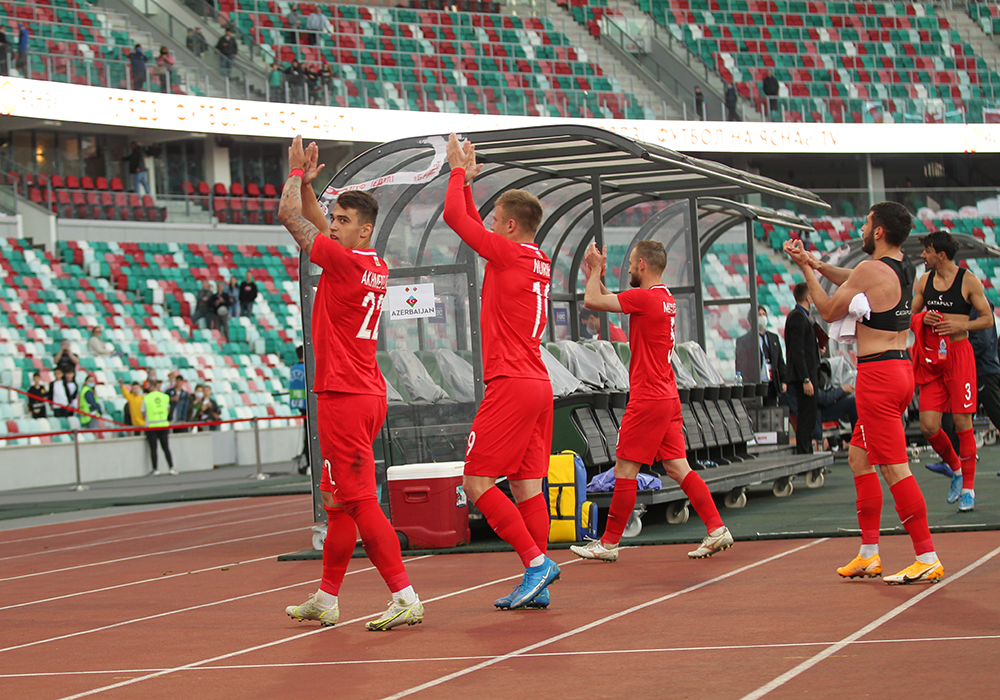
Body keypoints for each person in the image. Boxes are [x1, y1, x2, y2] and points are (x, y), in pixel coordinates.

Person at [280, 135, 424, 630]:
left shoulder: (342, 260)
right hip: (365, 390)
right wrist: (315, 195)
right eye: (334, 219)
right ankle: (327, 597)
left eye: (343, 221)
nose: (333, 225)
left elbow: (290, 219)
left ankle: (404, 593)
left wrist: (295, 175)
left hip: (344, 395)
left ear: (362, 231)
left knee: (360, 501)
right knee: (338, 506)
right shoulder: (373, 263)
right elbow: (316, 223)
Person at [784, 201, 943, 584]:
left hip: (878, 378)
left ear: (879, 232)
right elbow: (853, 278)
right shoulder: (902, 265)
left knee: (892, 466)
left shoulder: (870, 269)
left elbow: (826, 308)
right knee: (859, 459)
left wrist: (805, 267)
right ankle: (869, 553)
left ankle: (926, 554)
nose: (860, 228)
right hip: (897, 369)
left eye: (866, 224)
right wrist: (819, 264)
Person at [443, 132, 559, 611]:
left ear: (510, 225)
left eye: (495, 222)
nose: (488, 228)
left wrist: (453, 171)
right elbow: (469, 219)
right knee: (529, 486)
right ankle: (539, 579)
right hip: (538, 382)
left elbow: (454, 219)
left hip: (510, 382)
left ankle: (535, 565)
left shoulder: (507, 253)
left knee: (477, 481)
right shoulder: (537, 258)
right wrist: (469, 185)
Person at [571, 241, 734, 563]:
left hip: (647, 398)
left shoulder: (643, 298)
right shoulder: (663, 298)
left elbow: (592, 300)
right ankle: (716, 529)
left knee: (625, 469)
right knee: (677, 466)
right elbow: (607, 297)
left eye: (631, 263)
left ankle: (608, 543)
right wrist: (597, 273)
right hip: (668, 396)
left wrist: (592, 270)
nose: (628, 268)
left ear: (643, 264)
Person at [912, 229, 992, 512]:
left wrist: (962, 325)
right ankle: (955, 468)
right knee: (928, 426)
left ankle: (968, 490)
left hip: (959, 356)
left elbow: (987, 319)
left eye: (927, 251)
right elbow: (910, 315)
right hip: (933, 359)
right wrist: (923, 317)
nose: (923, 256)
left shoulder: (967, 280)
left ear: (940, 254)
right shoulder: (924, 281)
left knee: (962, 424)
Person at [785, 282, 820, 453]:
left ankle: (808, 454)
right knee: (806, 418)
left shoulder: (802, 316)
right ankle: (804, 455)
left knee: (809, 417)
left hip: (807, 375)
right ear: (808, 297)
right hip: (804, 377)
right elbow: (797, 351)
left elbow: (802, 348)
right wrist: (805, 378)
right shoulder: (798, 317)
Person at [735, 305, 785, 397]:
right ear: (751, 320)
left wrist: (783, 381)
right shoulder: (744, 341)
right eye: (759, 315)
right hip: (756, 386)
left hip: (772, 385)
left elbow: (780, 361)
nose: (762, 317)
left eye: (764, 314)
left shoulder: (774, 338)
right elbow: (741, 364)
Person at [142, 379, 176, 475]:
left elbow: (143, 413)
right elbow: (168, 410)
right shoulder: (165, 397)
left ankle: (155, 469)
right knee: (166, 447)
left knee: (153, 449)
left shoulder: (146, 398)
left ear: (151, 387)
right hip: (163, 425)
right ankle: (171, 467)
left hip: (152, 426)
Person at [290, 345, 308, 474]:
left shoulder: (294, 369)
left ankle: (304, 462)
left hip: (301, 406)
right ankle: (305, 462)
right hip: (308, 407)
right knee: (308, 437)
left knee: (306, 436)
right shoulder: (306, 369)